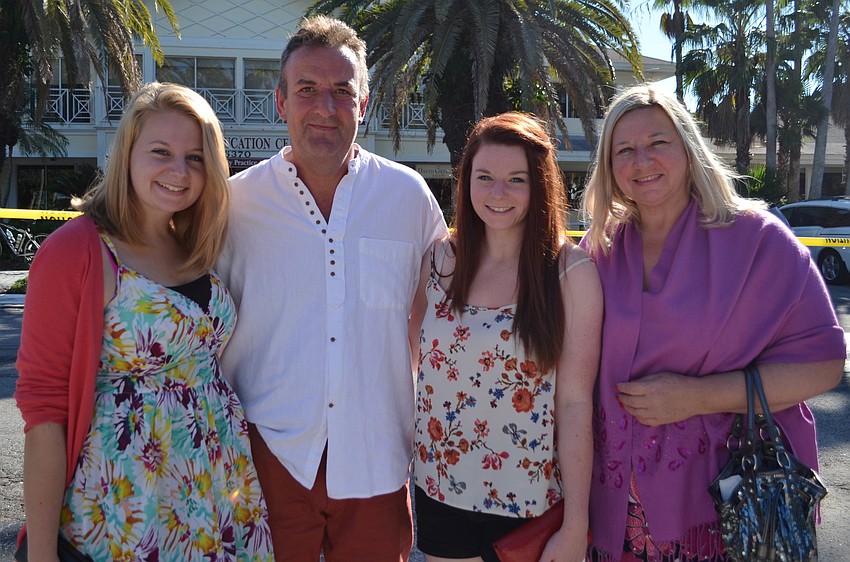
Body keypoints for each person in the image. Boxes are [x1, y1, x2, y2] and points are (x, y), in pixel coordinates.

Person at [215, 15, 448, 562]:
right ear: (280, 102)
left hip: (377, 459)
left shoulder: (407, 197)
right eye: (307, 90)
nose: (325, 107)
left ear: (363, 104)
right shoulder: (234, 205)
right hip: (265, 461)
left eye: (342, 92)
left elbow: (453, 306)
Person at [579, 84, 845, 562]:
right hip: (616, 515)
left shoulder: (758, 241)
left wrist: (698, 396)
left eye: (658, 143)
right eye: (625, 150)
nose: (643, 161)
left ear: (688, 147)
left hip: (724, 509)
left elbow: (823, 364)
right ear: (608, 167)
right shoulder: (598, 251)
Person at [14, 82, 274, 561]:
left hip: (215, 494)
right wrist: (42, 553)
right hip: (124, 510)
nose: (179, 171)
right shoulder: (79, 250)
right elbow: (44, 412)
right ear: (127, 154)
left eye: (196, 157)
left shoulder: (197, 244)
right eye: (161, 152)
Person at [409, 112, 603, 562]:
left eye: (516, 179)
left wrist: (576, 523)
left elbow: (575, 403)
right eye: (485, 177)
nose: (498, 193)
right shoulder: (440, 261)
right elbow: (418, 365)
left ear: (539, 186)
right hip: (441, 492)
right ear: (467, 181)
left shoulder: (570, 273)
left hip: (530, 506)